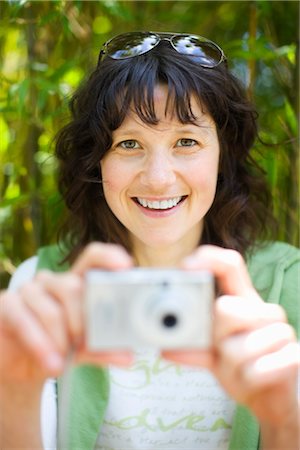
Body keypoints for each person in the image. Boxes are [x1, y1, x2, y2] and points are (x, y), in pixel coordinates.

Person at [1, 31, 299, 450]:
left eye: (187, 141)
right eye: (128, 143)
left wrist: (284, 413)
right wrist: (14, 387)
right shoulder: (40, 286)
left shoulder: (290, 286)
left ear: (223, 154)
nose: (158, 178)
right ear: (96, 159)